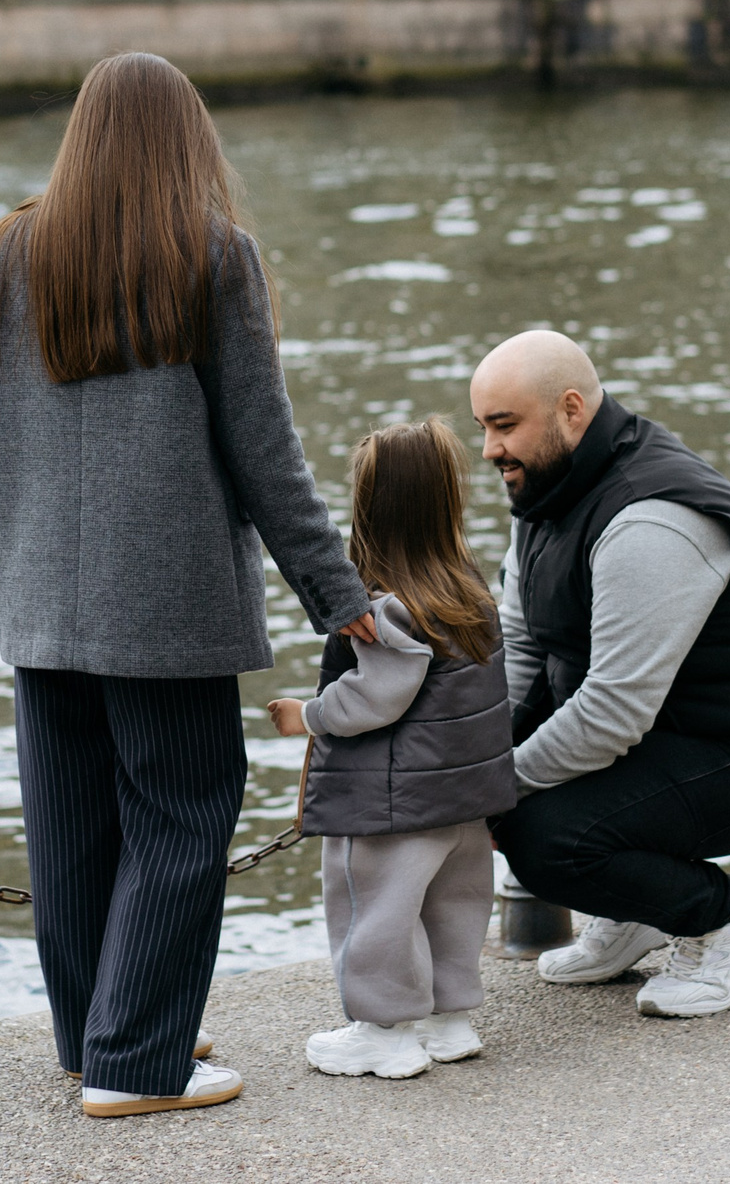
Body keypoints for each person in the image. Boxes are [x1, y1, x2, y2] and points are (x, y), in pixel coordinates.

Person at [0, 52, 382, 1118]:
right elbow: (264, 450)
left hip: (39, 599)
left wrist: (16, 575)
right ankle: (136, 1060)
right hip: (162, 602)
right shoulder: (209, 254)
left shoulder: (11, 251)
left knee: (71, 825)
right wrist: (338, 593)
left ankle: (95, 1032)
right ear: (182, 140)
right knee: (180, 809)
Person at [474, 330, 730, 1019]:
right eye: (484, 427)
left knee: (543, 837)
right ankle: (637, 912)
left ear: (570, 409)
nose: (490, 449)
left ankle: (722, 918)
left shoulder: (653, 516)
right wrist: (486, 757)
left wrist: (498, 786)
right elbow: (521, 644)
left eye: (504, 426)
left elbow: (612, 709)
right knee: (520, 812)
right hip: (657, 737)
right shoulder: (550, 489)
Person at [266, 418, 517, 1081]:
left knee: (378, 911)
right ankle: (450, 1020)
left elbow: (377, 697)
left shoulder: (389, 612)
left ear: (370, 508)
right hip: (461, 799)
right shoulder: (469, 594)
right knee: (456, 904)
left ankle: (384, 1032)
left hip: (390, 802)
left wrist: (309, 715)